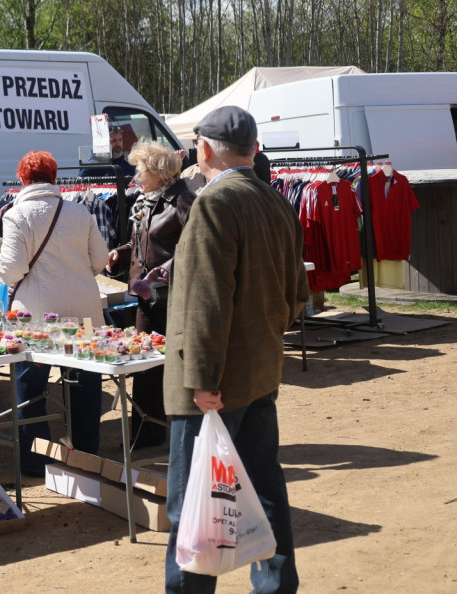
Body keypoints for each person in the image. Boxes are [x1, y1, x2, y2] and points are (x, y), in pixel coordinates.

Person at [163, 106, 308, 593]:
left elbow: (205, 300)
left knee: (195, 504)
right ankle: (276, 586)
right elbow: (297, 297)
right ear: (254, 150)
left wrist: (203, 379)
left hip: (215, 385)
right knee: (264, 489)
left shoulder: (215, 203)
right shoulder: (276, 202)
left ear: (202, 149)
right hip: (258, 373)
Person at [0, 151, 109, 476]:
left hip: (38, 316)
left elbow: (13, 268)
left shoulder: (16, 215)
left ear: (23, 179)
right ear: (54, 178)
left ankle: (35, 462)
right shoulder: (80, 211)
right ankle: (87, 457)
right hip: (83, 310)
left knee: (31, 387)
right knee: (86, 383)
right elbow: (99, 261)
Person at [106, 142, 195, 447]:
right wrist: (120, 253)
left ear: (158, 172)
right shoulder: (145, 201)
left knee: (168, 365)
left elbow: (194, 246)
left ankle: (167, 436)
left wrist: (164, 271)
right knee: (145, 364)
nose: (135, 176)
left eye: (140, 170)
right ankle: (148, 436)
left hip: (172, 296)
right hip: (146, 296)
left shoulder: (183, 200)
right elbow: (137, 242)